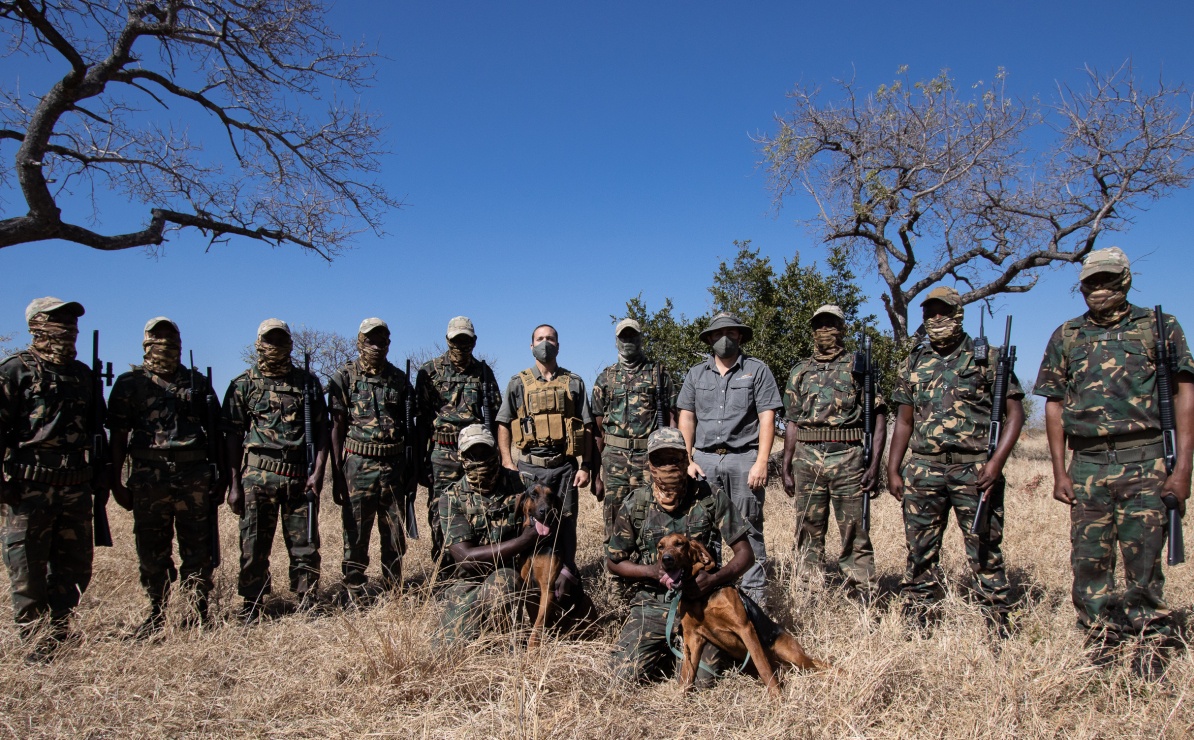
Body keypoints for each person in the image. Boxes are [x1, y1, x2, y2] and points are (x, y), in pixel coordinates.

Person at [1034, 246, 1193, 676]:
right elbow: (1053, 404)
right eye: (1091, 282)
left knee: (1143, 561)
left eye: (1107, 280)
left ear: (1125, 280)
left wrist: (1182, 469)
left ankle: (1150, 648)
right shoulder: (1067, 334)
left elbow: (1184, 395)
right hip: (1087, 466)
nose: (1098, 289)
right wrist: (1060, 470)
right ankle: (1101, 645)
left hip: (1146, 461)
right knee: (1088, 561)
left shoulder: (1159, 328)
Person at [887, 286, 1024, 635]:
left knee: (983, 544)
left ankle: (996, 617)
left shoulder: (987, 358)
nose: (936, 319)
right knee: (919, 548)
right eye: (929, 313)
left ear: (958, 314)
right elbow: (904, 420)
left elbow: (1015, 414)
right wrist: (893, 467)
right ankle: (920, 615)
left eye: (942, 312)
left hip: (974, 468)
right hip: (924, 468)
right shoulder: (914, 361)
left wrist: (996, 464)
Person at [606, 426, 753, 685]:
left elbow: (745, 553)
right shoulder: (636, 504)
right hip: (652, 604)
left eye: (674, 459)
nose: (667, 467)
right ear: (649, 464)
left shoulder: (709, 497)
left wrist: (715, 579)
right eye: (660, 460)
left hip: (702, 604)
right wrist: (650, 572)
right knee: (620, 677)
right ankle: (661, 649)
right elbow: (614, 561)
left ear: (686, 459)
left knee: (703, 683)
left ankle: (686, 651)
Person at [107, 317, 223, 636]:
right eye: (157, 336)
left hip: (194, 478)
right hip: (147, 478)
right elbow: (118, 435)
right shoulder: (129, 383)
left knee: (198, 549)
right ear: (145, 341)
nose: (164, 342)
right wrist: (115, 481)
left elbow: (216, 435)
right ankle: (157, 612)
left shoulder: (198, 383)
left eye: (170, 336)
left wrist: (222, 478)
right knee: (151, 548)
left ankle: (195, 612)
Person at [0, 297, 101, 661]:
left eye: (71, 320)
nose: (67, 327)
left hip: (74, 488)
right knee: (27, 568)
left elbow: (95, 431)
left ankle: (60, 631)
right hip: (29, 489)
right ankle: (34, 644)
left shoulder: (83, 376)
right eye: (58, 319)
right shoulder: (15, 371)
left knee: (75, 567)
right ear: (37, 324)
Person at [222, 319, 329, 622]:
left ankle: (307, 599)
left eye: (281, 339)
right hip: (257, 478)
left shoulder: (307, 384)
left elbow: (323, 431)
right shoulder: (244, 384)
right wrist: (233, 484)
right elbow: (230, 434)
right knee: (253, 543)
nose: (275, 346)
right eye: (270, 339)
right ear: (259, 343)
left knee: (305, 545)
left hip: (298, 476)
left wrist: (318, 473)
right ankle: (252, 604)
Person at [781, 305, 887, 598]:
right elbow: (791, 421)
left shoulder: (858, 365)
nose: (825, 330)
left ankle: (862, 594)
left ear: (842, 328)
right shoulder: (799, 370)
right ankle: (806, 591)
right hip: (807, 457)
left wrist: (875, 463)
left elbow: (878, 414)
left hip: (848, 457)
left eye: (832, 324)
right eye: (820, 324)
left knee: (854, 530)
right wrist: (786, 465)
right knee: (807, 530)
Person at [676, 312, 782, 604]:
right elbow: (686, 418)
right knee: (704, 534)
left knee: (748, 532)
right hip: (705, 461)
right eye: (718, 333)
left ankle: (754, 604)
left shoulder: (757, 370)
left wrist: (761, 462)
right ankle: (714, 599)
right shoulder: (696, 373)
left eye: (731, 332)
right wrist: (688, 459)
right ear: (710, 338)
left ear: (740, 336)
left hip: (743, 460)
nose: (725, 338)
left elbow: (767, 417)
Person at [496, 324, 595, 579]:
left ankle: (567, 573)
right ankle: (527, 574)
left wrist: (585, 467)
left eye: (550, 338)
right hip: (529, 467)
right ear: (531, 346)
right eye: (539, 339)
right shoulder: (518, 383)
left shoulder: (574, 382)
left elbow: (587, 426)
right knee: (527, 522)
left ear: (558, 346)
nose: (545, 343)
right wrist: (507, 461)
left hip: (564, 467)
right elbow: (504, 422)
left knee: (567, 521)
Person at [327, 318, 411, 602]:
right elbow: (336, 426)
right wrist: (337, 471)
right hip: (358, 466)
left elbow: (408, 425)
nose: (377, 345)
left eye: (383, 340)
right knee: (356, 533)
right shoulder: (344, 377)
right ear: (360, 341)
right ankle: (354, 590)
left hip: (393, 467)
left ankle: (393, 588)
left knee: (394, 534)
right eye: (371, 340)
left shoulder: (399, 379)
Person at [437, 424, 539, 644]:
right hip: (470, 582)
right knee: (445, 649)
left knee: (503, 585)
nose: (479, 460)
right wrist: (521, 541)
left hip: (512, 575)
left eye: (484, 453)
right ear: (461, 457)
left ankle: (507, 639)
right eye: (472, 455)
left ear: (495, 452)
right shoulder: (451, 498)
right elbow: (465, 558)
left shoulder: (522, 484)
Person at [415, 316, 500, 570]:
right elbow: (421, 421)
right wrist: (420, 462)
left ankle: (475, 566)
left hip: (477, 455)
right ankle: (444, 570)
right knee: (440, 512)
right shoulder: (429, 372)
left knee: (479, 508)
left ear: (473, 341)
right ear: (447, 340)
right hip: (443, 453)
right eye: (456, 340)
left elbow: (494, 417)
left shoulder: (484, 373)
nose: (461, 345)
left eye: (466, 340)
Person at [591, 318, 677, 542]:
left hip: (649, 456)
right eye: (623, 337)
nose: (628, 341)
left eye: (632, 336)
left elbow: (672, 417)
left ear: (640, 339)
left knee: (651, 510)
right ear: (616, 341)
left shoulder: (658, 373)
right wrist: (596, 475)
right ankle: (616, 565)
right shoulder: (605, 378)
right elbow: (598, 428)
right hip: (614, 458)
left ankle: (648, 565)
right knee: (614, 513)